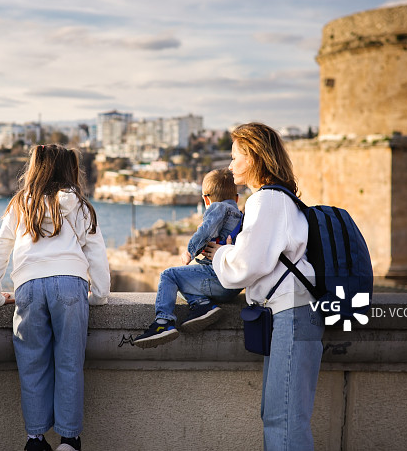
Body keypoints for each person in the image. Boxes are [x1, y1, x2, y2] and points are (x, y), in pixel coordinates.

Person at [203, 122, 325, 451]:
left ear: (254, 157)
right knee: (279, 415)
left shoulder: (266, 200)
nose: (230, 165)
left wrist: (219, 254)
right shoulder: (281, 199)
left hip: (291, 315)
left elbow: (247, 265)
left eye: (235, 157)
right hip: (295, 313)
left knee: (283, 419)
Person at [0, 144, 110, 451]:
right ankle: (69, 440)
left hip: (28, 286)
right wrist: (98, 295)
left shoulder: (20, 204)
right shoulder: (79, 205)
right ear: (69, 169)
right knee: (69, 363)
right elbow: (96, 252)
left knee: (32, 364)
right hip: (70, 284)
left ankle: (35, 439)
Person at [133, 168, 243, 348]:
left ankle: (163, 322)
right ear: (237, 198)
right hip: (233, 285)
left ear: (206, 199)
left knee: (170, 275)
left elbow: (205, 231)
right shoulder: (241, 216)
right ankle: (202, 305)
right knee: (185, 279)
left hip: (215, 277)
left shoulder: (218, 207)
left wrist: (190, 251)